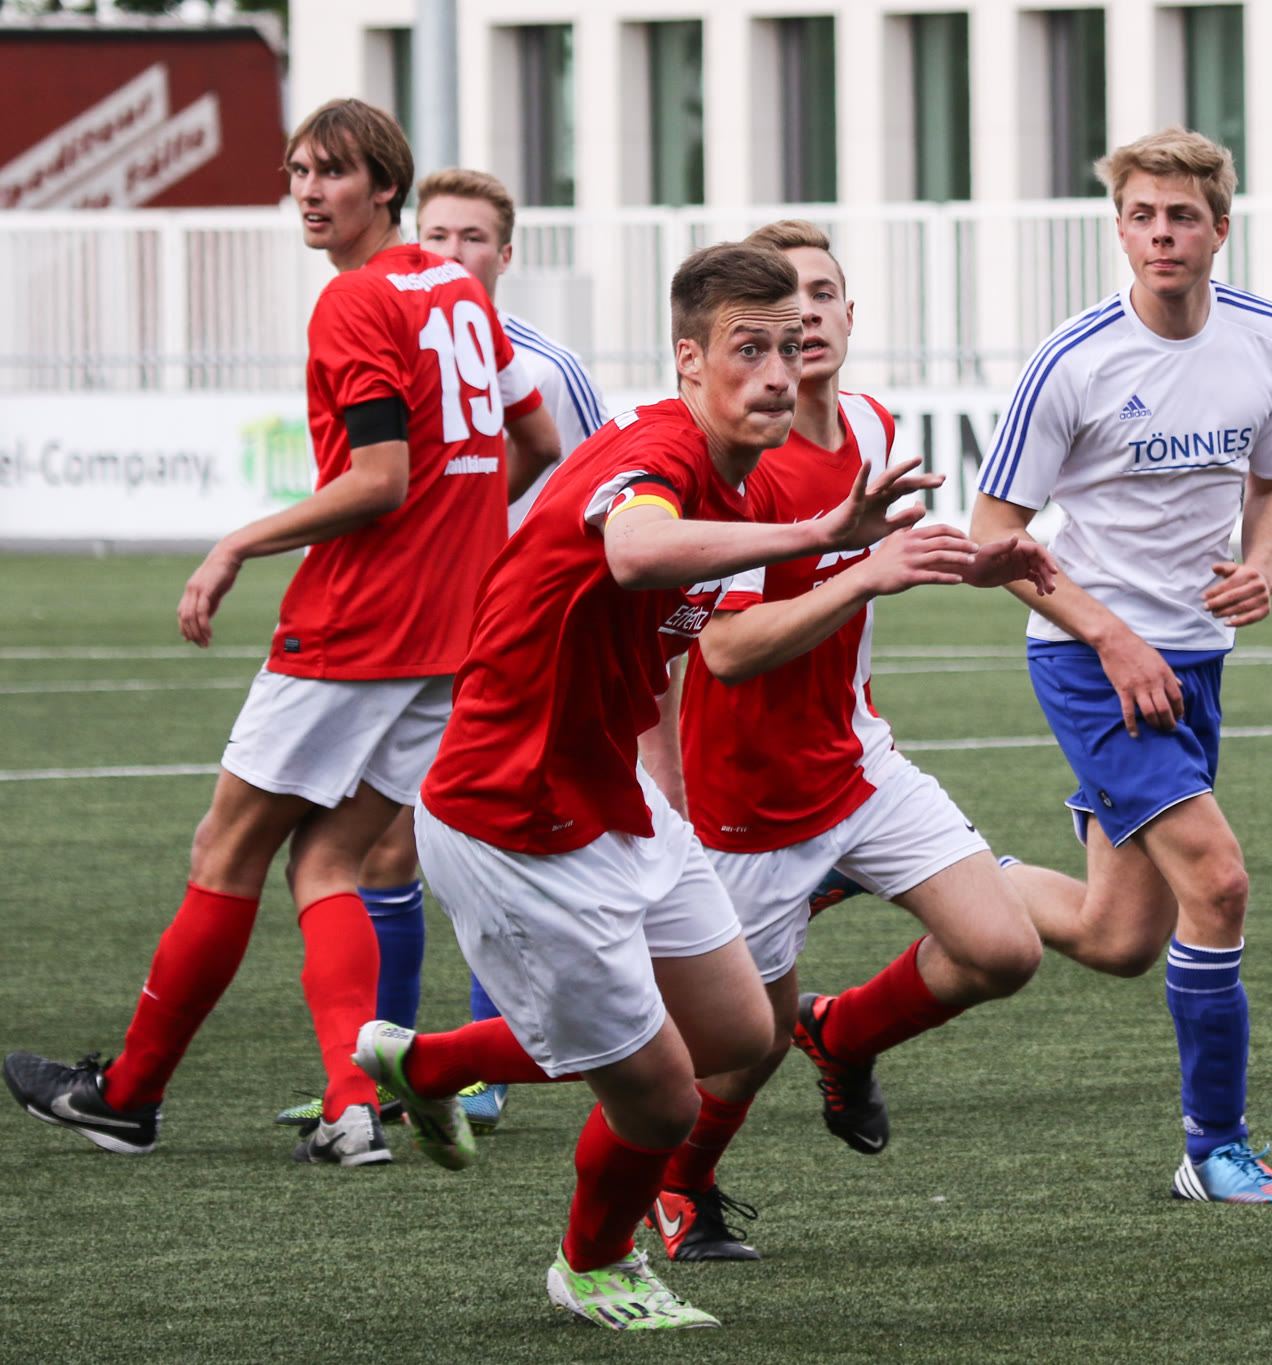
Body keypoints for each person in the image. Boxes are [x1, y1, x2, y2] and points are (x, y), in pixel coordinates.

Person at [350, 241, 939, 1330]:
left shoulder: (737, 471)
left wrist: (663, 790)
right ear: (688, 359)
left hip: (614, 799)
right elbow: (633, 551)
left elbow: (665, 644)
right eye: (748, 349)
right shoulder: (659, 452)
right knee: (662, 1096)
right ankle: (593, 1263)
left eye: (790, 348)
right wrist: (821, 535)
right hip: (510, 815)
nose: (777, 372)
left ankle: (425, 1064)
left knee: (739, 1035)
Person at [1, 99, 557, 1167]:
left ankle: (128, 1095)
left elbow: (379, 481)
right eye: (298, 171)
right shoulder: (458, 290)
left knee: (226, 849)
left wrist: (236, 544)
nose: (309, 191)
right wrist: (460, 537)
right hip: (454, 636)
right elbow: (533, 439)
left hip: (359, 628)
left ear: (384, 187)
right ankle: (352, 1109)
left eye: (332, 172)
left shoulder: (354, 299)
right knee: (330, 860)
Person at [642, 220, 1053, 1261]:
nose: (806, 323)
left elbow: (886, 557)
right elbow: (725, 651)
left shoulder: (870, 423)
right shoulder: (739, 466)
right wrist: (864, 573)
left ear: (847, 313)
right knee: (741, 1046)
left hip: (858, 761)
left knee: (1004, 948)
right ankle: (680, 1186)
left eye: (820, 297)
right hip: (748, 803)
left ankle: (845, 1032)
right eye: (781, 313)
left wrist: (977, 563)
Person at [968, 129, 1272, 1204]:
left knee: (1117, 934)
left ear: (1220, 228)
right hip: (1091, 662)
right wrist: (1111, 635)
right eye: (1141, 216)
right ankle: (1215, 1148)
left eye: (1181, 217)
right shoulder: (1072, 360)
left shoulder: (1269, 340)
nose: (1161, 234)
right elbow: (993, 537)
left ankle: (916, 867)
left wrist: (1262, 565)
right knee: (1219, 880)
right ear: (1119, 229)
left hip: (1195, 660)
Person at [273, 167, 607, 1138]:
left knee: (484, 844)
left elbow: (605, 493)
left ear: (506, 254)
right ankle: (383, 1068)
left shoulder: (546, 366)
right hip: (430, 631)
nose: (453, 252)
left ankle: (480, 1068)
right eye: (439, 235)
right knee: (386, 847)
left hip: (522, 633)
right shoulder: (398, 335)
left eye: (474, 238)